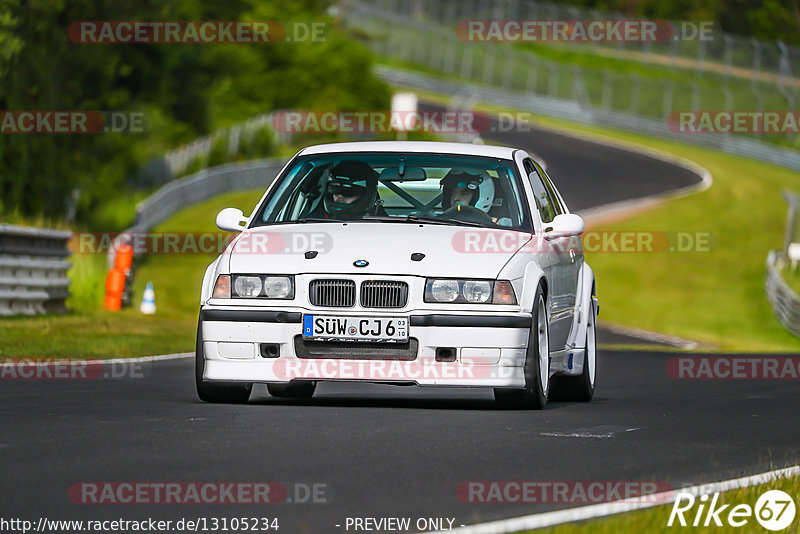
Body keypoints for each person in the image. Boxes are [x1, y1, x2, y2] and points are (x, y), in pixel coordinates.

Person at [308, 160, 381, 220]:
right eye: (334, 189)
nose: (339, 196)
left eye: (348, 192)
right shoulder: (310, 221)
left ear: (366, 196)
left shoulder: (379, 224)